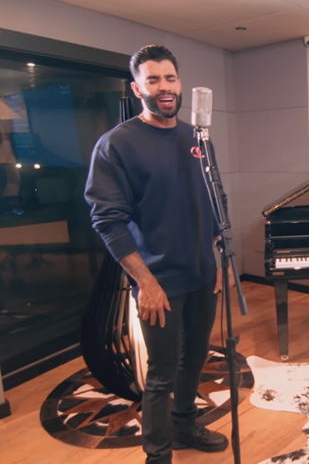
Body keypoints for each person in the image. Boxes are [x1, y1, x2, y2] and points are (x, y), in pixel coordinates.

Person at [84, 45, 234, 463]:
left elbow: (216, 200)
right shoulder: (117, 144)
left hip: (202, 275)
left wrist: (219, 260)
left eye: (170, 78)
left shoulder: (197, 138)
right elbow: (107, 221)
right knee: (162, 371)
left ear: (179, 83)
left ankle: (185, 426)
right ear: (138, 89)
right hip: (159, 283)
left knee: (195, 359)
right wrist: (145, 282)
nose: (164, 87)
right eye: (153, 80)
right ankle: (158, 453)